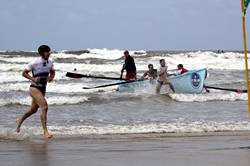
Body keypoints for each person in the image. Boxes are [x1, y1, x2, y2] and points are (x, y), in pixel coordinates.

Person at [16, 45, 55, 139]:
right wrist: (33, 78)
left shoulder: (50, 62)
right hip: (34, 88)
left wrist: (50, 78)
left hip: (43, 88)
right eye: (47, 52)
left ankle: (19, 120)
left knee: (33, 110)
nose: (49, 53)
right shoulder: (34, 63)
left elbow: (52, 71)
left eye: (49, 51)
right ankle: (45, 132)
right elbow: (24, 73)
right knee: (44, 107)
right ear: (42, 53)